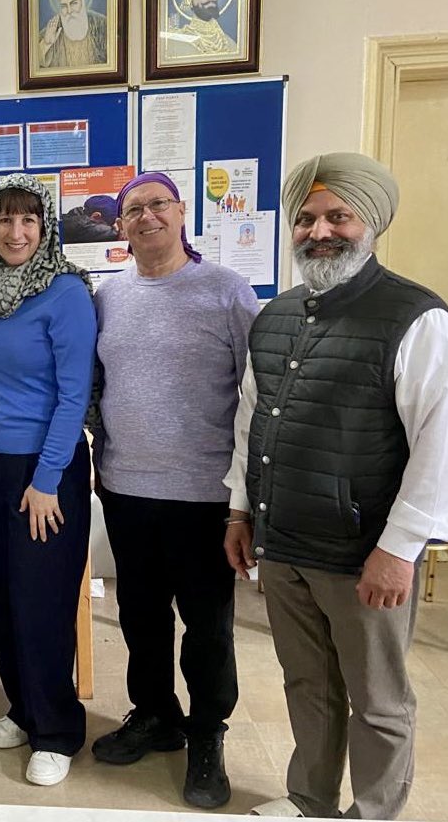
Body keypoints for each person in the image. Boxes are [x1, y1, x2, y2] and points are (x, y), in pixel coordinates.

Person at [223, 153, 448, 820]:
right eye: (304, 218)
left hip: (363, 555)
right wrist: (238, 510)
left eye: (336, 215)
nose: (318, 230)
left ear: (368, 223)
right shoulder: (275, 314)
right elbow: (250, 420)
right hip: (284, 541)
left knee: (376, 699)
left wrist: (399, 547)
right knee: (306, 683)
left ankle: (372, 811)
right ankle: (308, 799)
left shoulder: (416, 317)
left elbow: (439, 444)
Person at [89, 172, 258, 808]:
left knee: (207, 625)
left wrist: (244, 497)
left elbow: (257, 394)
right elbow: (98, 388)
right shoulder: (109, 297)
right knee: (141, 614)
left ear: (182, 213)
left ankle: (207, 731)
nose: (146, 217)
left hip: (204, 495)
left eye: (158, 205)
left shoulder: (226, 292)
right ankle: (155, 712)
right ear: (121, 227)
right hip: (127, 488)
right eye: (133, 210)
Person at [0, 173, 96, 786]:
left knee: (42, 603)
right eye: (5, 220)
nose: (16, 232)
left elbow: (75, 395)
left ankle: (58, 730)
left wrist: (47, 479)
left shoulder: (66, 292)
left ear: (45, 229)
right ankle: (22, 709)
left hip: (47, 469)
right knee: (4, 596)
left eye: (29, 221)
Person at [38, 0, 107, 69]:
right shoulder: (52, 29)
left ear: (82, 3)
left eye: (73, 3)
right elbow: (33, 64)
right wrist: (46, 44)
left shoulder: (102, 24)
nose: (69, 11)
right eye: (64, 6)